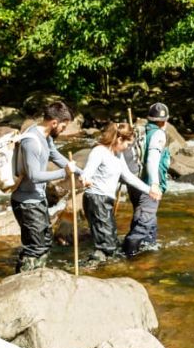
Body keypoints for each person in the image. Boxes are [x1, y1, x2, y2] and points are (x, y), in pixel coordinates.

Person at [11, 101, 81, 272]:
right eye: (64, 126)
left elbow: (55, 156)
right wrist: (64, 173)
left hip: (38, 199)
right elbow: (34, 176)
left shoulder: (46, 137)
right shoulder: (32, 142)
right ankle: (21, 280)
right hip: (26, 202)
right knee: (35, 246)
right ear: (54, 122)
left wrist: (80, 172)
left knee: (46, 242)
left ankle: (34, 276)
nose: (64, 129)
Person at [80, 122, 160, 268]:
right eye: (128, 144)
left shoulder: (117, 154)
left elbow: (128, 176)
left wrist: (149, 190)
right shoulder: (99, 151)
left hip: (106, 200)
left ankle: (101, 268)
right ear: (119, 139)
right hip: (96, 199)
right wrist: (85, 178)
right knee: (107, 244)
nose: (128, 148)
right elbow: (87, 172)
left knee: (111, 240)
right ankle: (88, 269)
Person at [122, 102, 172, 257]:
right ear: (165, 121)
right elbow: (152, 159)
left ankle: (148, 250)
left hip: (135, 183)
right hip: (147, 185)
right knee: (143, 223)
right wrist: (155, 184)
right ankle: (126, 254)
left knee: (145, 218)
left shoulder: (140, 131)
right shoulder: (158, 135)